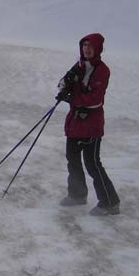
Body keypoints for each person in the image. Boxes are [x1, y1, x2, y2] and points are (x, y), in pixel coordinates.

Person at [56, 33, 120, 216]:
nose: (87, 49)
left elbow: (96, 99)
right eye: (84, 45)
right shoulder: (79, 65)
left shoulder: (102, 70)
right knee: (73, 159)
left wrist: (72, 98)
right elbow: (62, 83)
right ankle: (77, 195)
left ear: (98, 48)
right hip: (75, 123)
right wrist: (64, 87)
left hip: (91, 124)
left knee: (92, 164)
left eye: (90, 45)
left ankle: (110, 203)